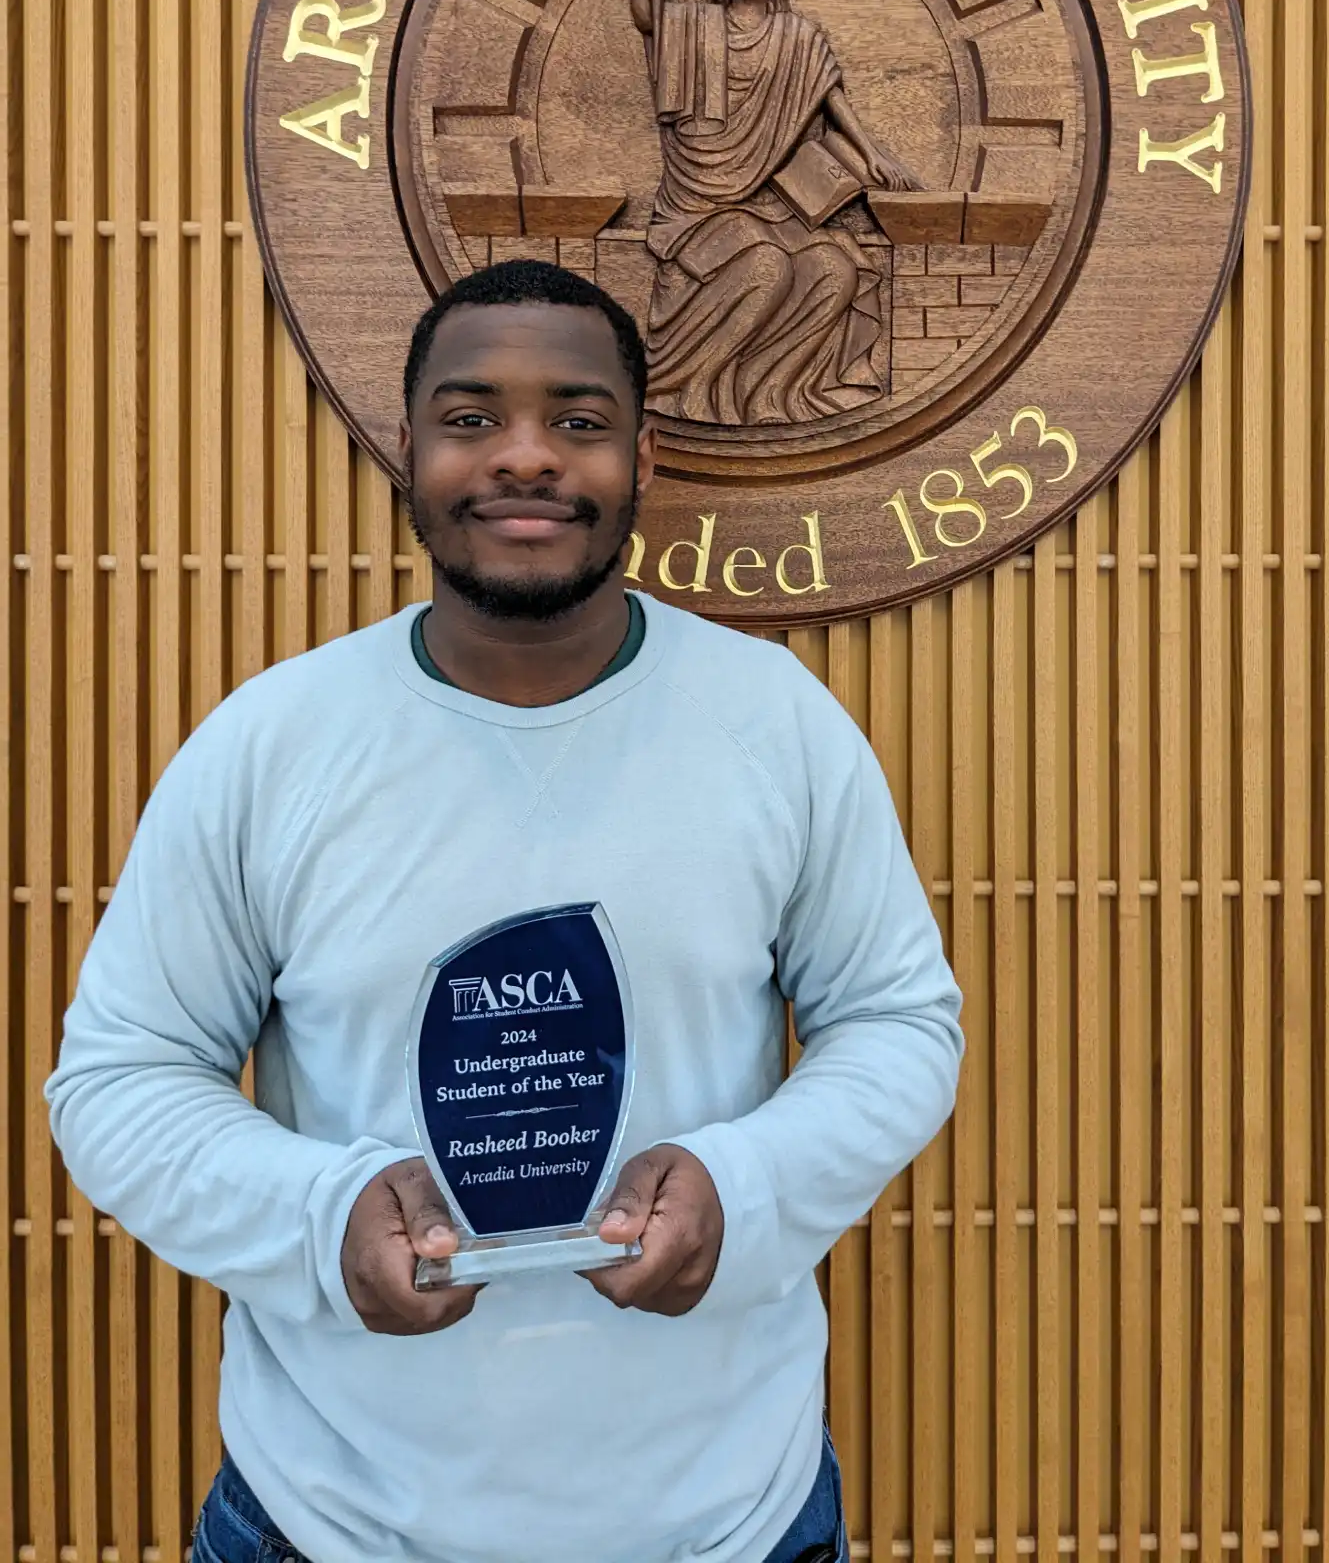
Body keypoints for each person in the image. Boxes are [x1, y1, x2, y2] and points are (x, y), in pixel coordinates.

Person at [46, 258, 963, 1563]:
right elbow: (122, 1079)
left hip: (730, 1521)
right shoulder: (271, 745)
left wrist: (742, 1186)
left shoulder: (775, 724)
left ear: (642, 459)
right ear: (407, 445)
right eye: (472, 418)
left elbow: (898, 1021)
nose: (525, 457)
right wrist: (323, 1215)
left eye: (577, 421)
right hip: (330, 1523)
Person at [629, 0, 917, 426]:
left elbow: (831, 97)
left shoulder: (798, 38)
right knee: (766, 267)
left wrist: (872, 152)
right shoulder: (695, 29)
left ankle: (771, 393)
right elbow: (647, 14)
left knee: (836, 268)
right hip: (698, 206)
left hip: (772, 204)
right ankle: (695, 387)